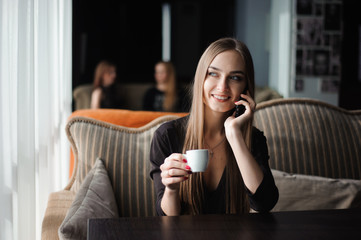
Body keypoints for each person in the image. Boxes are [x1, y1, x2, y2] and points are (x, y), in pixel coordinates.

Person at [149, 38, 279, 216]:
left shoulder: (252, 139)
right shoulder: (167, 136)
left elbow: (265, 203)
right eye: (213, 74)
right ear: (201, 78)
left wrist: (234, 136)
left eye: (234, 77)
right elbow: (167, 219)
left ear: (245, 88)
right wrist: (171, 189)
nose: (222, 86)